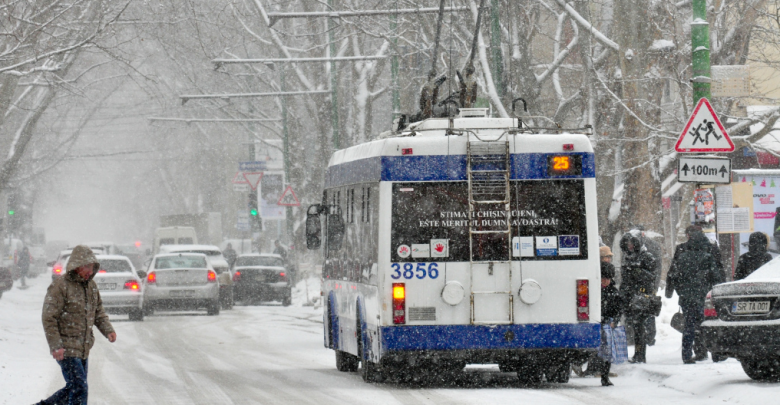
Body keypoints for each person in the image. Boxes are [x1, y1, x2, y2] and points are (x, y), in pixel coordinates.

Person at [37, 245, 116, 405]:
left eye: (92, 266)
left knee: (76, 387)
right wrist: (56, 345)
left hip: (83, 347)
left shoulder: (91, 287)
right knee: (79, 387)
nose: (89, 270)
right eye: (86, 266)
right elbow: (48, 317)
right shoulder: (60, 286)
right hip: (66, 347)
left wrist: (108, 330)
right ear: (76, 265)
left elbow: (98, 311)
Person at [665, 226, 724, 364]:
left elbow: (673, 274)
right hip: (704, 297)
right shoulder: (708, 256)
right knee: (707, 325)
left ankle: (686, 354)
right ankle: (713, 352)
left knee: (689, 326)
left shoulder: (682, 256)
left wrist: (675, 290)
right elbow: (717, 275)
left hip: (687, 298)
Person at [619, 233, 656, 363]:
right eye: (627, 244)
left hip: (641, 297)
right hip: (630, 296)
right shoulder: (627, 257)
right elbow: (625, 279)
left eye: (631, 244)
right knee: (634, 327)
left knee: (640, 327)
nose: (629, 247)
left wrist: (637, 271)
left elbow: (651, 277)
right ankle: (637, 354)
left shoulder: (646, 257)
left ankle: (640, 355)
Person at [598, 262, 624, 386]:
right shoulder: (595, 290)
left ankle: (604, 376)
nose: (605, 281)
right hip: (598, 322)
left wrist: (615, 320)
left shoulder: (614, 292)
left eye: (607, 278)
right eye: (603, 278)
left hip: (607, 323)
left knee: (607, 353)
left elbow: (619, 309)